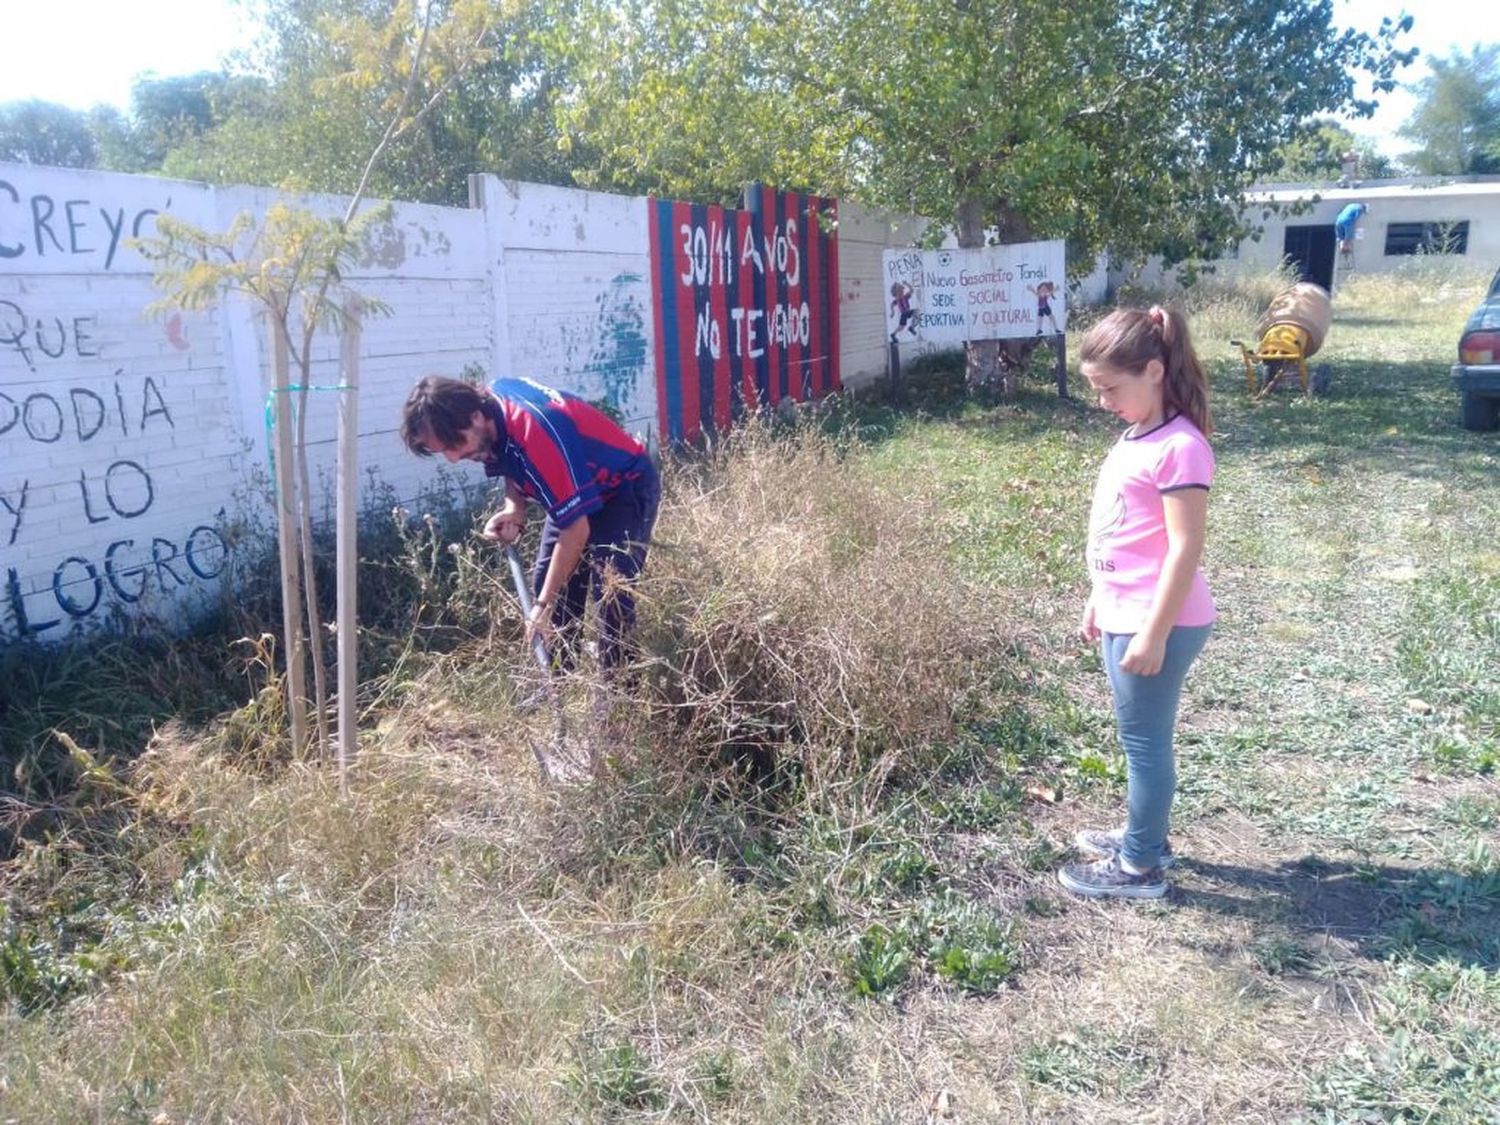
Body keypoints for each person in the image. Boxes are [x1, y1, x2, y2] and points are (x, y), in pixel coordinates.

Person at [1059, 305, 1215, 900]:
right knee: (1140, 740)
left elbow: (1183, 549)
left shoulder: (1180, 446)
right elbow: (1125, 533)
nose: (1102, 401)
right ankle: (1142, 833)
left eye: (1109, 388)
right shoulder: (1139, 433)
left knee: (1145, 745)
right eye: (1095, 389)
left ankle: (1140, 866)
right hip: (1126, 611)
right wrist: (1098, 598)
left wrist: (1153, 632)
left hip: (1159, 622)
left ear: (1153, 370)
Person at [400, 375, 659, 677]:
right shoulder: (490, 412)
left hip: (623, 487)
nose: (454, 458)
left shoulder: (535, 428)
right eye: (442, 450)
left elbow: (576, 528)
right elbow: (512, 459)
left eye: (455, 444)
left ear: (475, 416)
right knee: (551, 587)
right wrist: (515, 508)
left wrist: (542, 605)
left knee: (611, 596)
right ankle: (557, 686)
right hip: (575, 485)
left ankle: (617, 708)